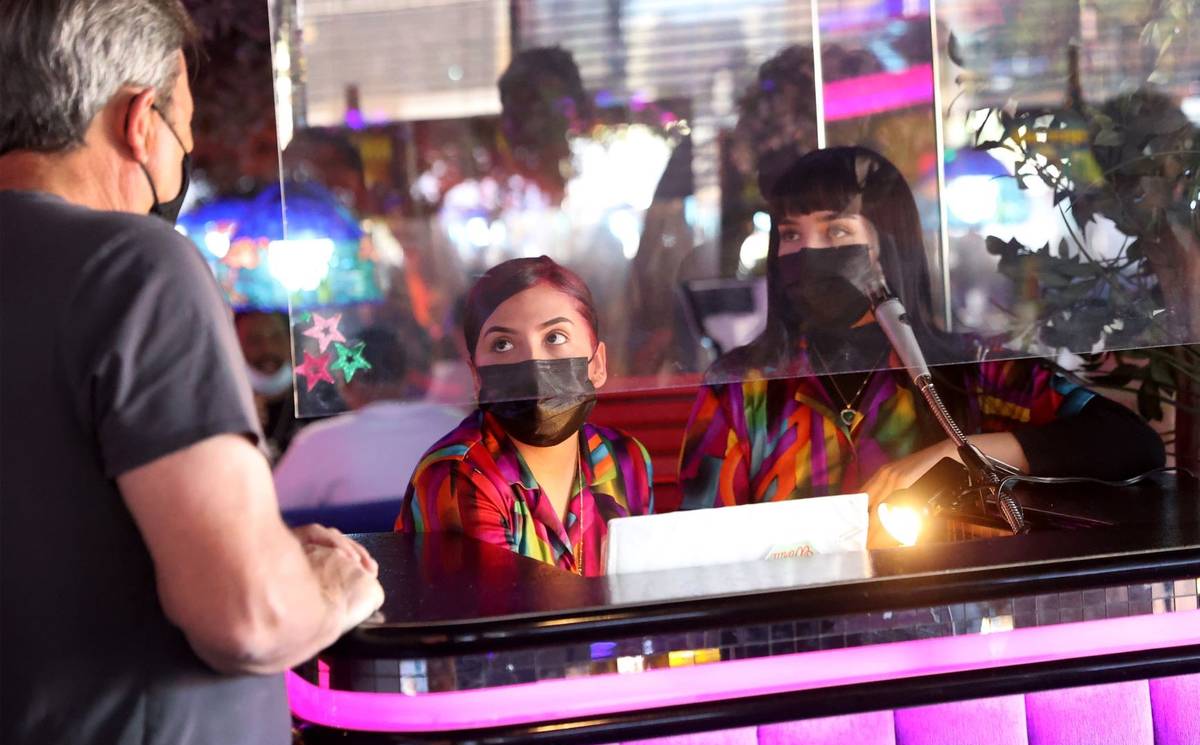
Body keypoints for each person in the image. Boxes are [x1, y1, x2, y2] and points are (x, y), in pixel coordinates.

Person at [0, 2, 384, 745]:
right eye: (186, 132)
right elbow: (249, 617)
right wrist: (325, 586)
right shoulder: (132, 265)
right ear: (141, 122)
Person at [678, 146, 1165, 530]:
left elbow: (1131, 444)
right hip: (791, 642)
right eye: (791, 235)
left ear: (888, 248)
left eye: (837, 231)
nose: (809, 253)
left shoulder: (971, 368)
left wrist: (956, 450)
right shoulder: (742, 385)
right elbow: (702, 541)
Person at [398, 257, 653, 575]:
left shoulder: (624, 459)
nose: (533, 363)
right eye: (503, 344)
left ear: (598, 364)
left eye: (555, 338)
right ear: (477, 377)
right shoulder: (459, 473)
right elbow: (505, 613)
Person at [274, 327, 464, 509]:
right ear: (407, 375)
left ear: (348, 382)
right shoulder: (459, 428)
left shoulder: (317, 443)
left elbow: (270, 514)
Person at [234, 310, 306, 460]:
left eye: (276, 337)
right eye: (254, 340)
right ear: (236, 345)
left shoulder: (317, 401)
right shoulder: (225, 409)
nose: (267, 348)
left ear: (290, 340)